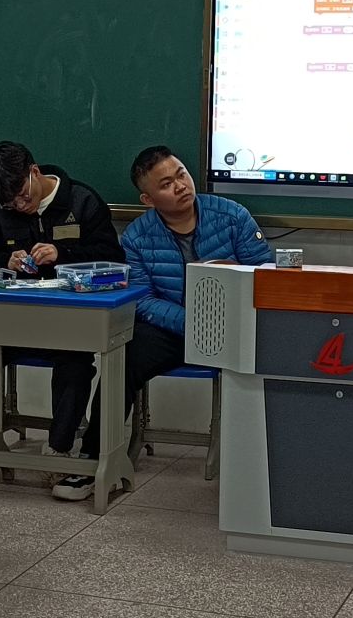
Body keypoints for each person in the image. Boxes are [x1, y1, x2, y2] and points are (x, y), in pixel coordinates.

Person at [89, 145, 273, 466]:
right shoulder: (136, 238)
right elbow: (142, 300)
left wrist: (230, 317)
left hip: (235, 329)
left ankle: (259, 463)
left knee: (275, 350)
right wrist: (193, 324)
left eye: (182, 174)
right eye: (166, 184)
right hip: (176, 330)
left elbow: (266, 277)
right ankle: (96, 458)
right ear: (148, 199)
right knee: (125, 354)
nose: (181, 186)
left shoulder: (231, 216)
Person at [0, 141, 122, 500]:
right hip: (14, 322)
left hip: (69, 322)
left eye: (23, 196)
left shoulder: (82, 201)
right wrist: (5, 259)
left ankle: (59, 449)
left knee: (76, 361)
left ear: (34, 172)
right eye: (10, 205)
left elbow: (111, 257)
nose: (20, 206)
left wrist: (62, 253)